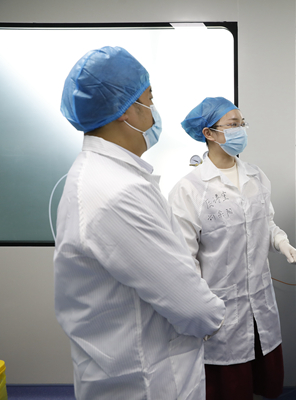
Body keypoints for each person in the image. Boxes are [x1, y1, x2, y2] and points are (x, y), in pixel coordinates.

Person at [54, 46, 226, 400]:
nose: (153, 111)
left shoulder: (100, 175)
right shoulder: (116, 193)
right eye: (149, 99)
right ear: (125, 111)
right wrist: (214, 317)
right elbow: (191, 306)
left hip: (123, 368)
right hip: (146, 381)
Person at [168, 97, 296, 400]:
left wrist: (280, 241)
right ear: (209, 133)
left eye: (242, 123)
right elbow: (184, 259)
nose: (241, 130)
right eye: (232, 124)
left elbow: (266, 222)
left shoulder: (256, 177)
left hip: (259, 302)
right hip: (220, 308)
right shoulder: (189, 189)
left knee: (260, 378)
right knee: (228, 386)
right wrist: (201, 307)